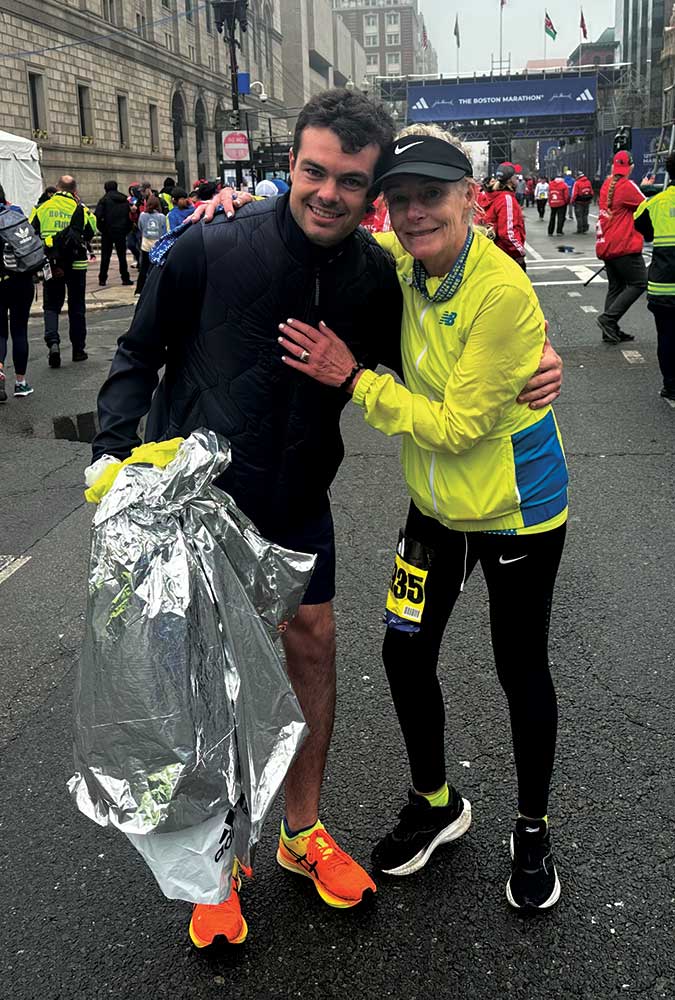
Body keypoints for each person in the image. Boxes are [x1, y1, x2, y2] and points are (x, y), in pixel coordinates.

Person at [90, 90, 563, 945]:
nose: (328, 194)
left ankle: (299, 831)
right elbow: (136, 352)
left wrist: (536, 347)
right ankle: (215, 858)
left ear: (368, 189)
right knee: (206, 682)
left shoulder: (375, 273)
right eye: (313, 172)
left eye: (350, 180)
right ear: (291, 167)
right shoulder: (211, 243)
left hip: (303, 498)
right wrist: (113, 454)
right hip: (200, 504)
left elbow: (440, 340)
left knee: (314, 652)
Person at [276, 126, 569, 914]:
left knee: (518, 668)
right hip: (434, 507)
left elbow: (456, 427)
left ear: (469, 198)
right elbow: (323, 242)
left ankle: (532, 829)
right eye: (399, 199)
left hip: (516, 508)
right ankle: (435, 802)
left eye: (431, 195)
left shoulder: (498, 289)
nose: (413, 214)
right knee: (403, 654)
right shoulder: (400, 268)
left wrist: (354, 379)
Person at [29, 175, 96, 368]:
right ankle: (78, 350)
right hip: (76, 264)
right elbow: (92, 230)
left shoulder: (42, 207)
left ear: (57, 189)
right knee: (77, 306)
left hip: (53, 263)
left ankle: (53, 344)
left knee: (51, 306)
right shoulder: (80, 208)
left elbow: (32, 231)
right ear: (74, 191)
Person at [633, 149, 675, 399]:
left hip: (663, 286)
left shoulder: (654, 204)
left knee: (667, 336)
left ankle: (670, 385)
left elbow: (644, 231)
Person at [595, 151, 647, 344]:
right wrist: (646, 188)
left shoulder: (607, 185)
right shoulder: (626, 185)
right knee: (639, 283)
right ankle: (608, 320)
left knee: (616, 287)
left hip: (607, 244)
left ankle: (610, 329)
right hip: (624, 245)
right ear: (630, 167)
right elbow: (645, 205)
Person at [0, 185, 36, 399]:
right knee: (19, 330)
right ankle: (20, 383)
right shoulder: (16, 213)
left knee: (0, 332)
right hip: (21, 280)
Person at [483, 162, 527, 270]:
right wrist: (519, 252)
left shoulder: (495, 196)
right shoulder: (506, 198)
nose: (517, 179)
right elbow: (507, 232)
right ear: (510, 180)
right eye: (515, 177)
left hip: (497, 253)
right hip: (508, 255)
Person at [95, 180, 133, 287]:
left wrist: (102, 229)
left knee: (105, 257)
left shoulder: (104, 200)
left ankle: (102, 278)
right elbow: (129, 216)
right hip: (121, 231)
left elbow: (98, 216)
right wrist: (126, 229)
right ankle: (125, 278)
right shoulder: (124, 200)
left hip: (107, 232)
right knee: (122, 256)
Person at [135, 194, 168, 296]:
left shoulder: (142, 215)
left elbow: (140, 227)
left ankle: (139, 290)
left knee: (144, 268)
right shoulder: (162, 217)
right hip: (157, 244)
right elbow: (164, 230)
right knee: (156, 268)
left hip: (146, 244)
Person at [570, 170, 593, 234]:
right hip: (587, 201)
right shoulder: (588, 182)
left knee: (579, 216)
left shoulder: (577, 183)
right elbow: (591, 192)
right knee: (585, 215)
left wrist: (572, 201)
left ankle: (580, 229)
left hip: (579, 202)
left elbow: (574, 193)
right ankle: (585, 228)